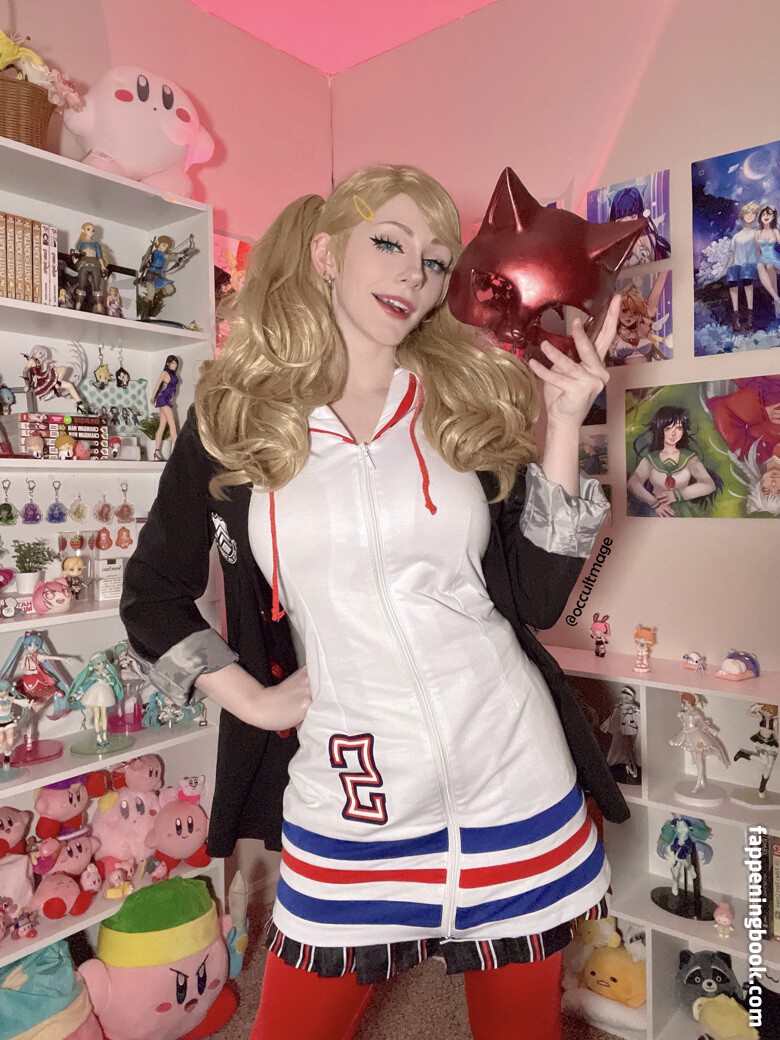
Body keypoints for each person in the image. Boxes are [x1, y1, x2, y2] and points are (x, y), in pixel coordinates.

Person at [120, 164, 628, 1040]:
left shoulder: (459, 404)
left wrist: (564, 426)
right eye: (388, 243)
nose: (412, 274)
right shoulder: (236, 420)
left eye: (433, 260)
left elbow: (538, 599)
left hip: (511, 775)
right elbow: (152, 597)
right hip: (353, 796)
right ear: (326, 253)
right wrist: (252, 698)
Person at [627, 405, 717, 517]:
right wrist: (655, 504)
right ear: (660, 430)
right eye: (668, 428)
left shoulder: (689, 458)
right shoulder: (651, 459)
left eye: (678, 428)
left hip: (684, 513)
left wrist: (677, 495)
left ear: (683, 431)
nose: (673, 434)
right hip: (654, 512)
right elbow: (633, 482)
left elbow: (709, 484)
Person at [150, 354, 180, 460]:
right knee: (172, 425)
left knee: (162, 426)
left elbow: (170, 388)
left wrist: (171, 398)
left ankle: (156, 452)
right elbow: (158, 385)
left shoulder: (173, 374)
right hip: (162, 400)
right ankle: (178, 451)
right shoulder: (165, 373)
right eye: (173, 363)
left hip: (167, 400)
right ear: (168, 363)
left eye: (176, 363)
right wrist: (153, 397)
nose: (175, 365)